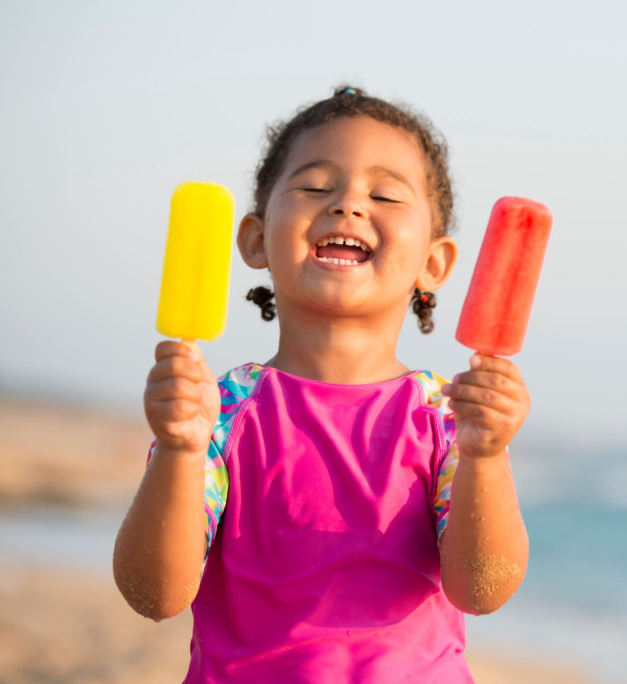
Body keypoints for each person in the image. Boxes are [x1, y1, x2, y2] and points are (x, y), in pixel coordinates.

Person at [113, 86, 530, 683]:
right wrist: (180, 448)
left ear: (433, 264)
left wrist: (486, 456)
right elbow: (152, 594)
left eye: (384, 193)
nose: (348, 206)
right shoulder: (217, 412)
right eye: (314, 186)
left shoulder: (450, 417)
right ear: (256, 240)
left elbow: (481, 589)